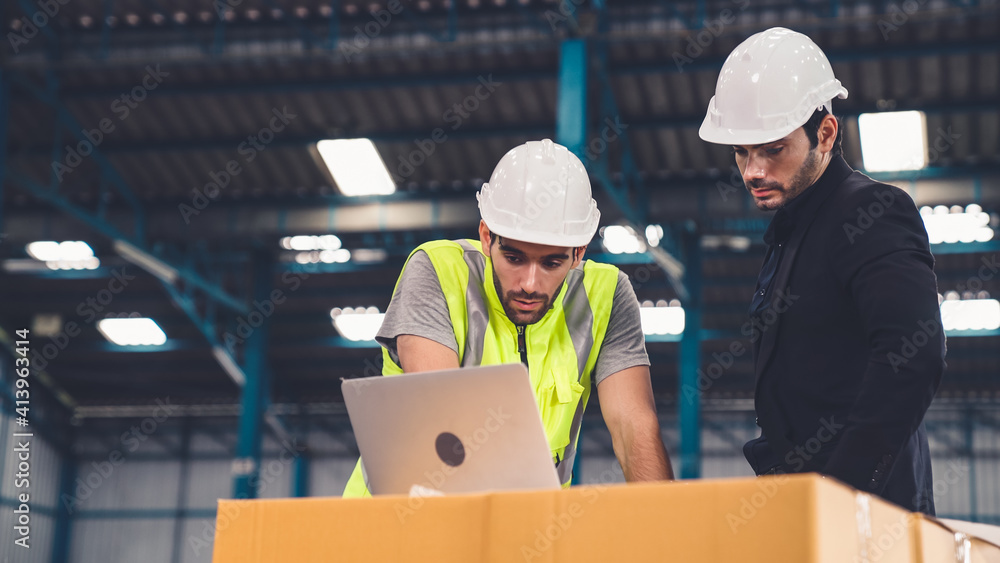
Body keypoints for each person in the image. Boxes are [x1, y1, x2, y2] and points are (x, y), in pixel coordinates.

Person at [698, 27, 945, 513]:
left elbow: (911, 354)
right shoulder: (789, 233)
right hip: (805, 507)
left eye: (772, 149)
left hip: (868, 515)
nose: (752, 171)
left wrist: (842, 492)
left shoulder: (872, 211)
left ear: (825, 133)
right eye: (741, 152)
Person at [343, 139, 673, 496]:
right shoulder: (438, 271)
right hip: (397, 525)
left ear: (578, 253)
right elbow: (443, 423)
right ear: (486, 238)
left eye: (551, 263)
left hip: (527, 534)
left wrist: (667, 536)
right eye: (514, 258)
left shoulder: (607, 296)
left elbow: (633, 427)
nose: (530, 285)